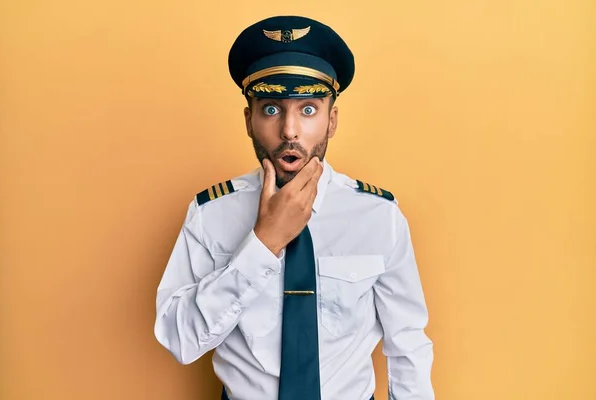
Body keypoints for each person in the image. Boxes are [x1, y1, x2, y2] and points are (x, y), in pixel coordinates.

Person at [154, 15, 435, 400]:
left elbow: (407, 343)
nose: (289, 130)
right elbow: (179, 339)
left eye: (308, 109)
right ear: (249, 120)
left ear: (331, 120)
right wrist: (262, 243)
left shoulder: (378, 216)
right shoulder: (210, 214)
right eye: (271, 108)